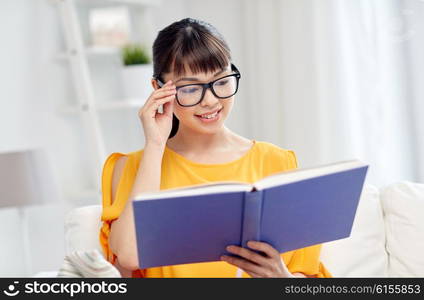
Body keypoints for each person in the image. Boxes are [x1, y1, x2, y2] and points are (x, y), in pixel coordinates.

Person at [99, 18, 332, 278]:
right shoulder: (133, 167)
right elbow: (130, 256)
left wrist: (280, 278)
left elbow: (304, 271)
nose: (210, 101)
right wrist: (155, 144)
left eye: (221, 81)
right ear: (159, 89)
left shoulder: (277, 161)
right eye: (190, 88)